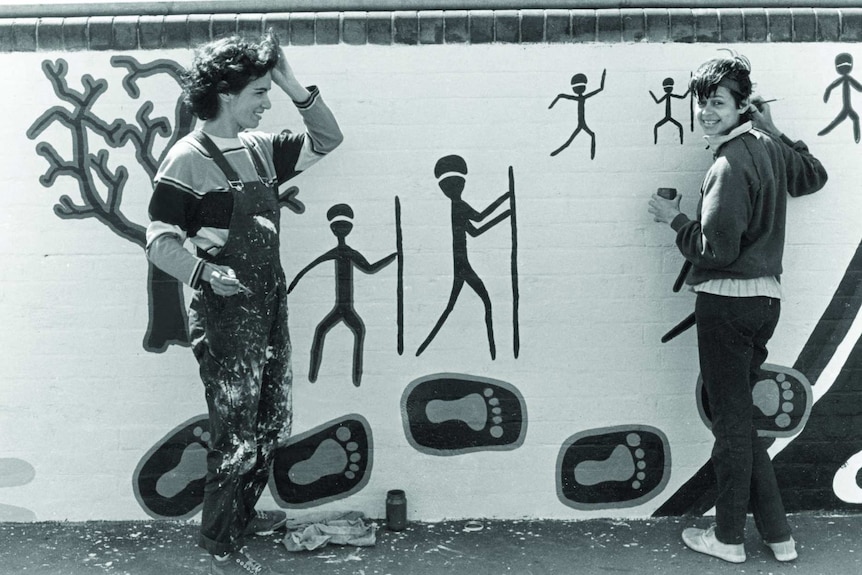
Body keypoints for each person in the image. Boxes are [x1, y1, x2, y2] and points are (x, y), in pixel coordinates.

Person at [145, 30, 343, 575]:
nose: (267, 102)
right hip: (226, 313)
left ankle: (242, 515)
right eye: (259, 92)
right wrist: (206, 272)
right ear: (228, 95)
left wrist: (289, 79)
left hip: (269, 304)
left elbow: (327, 138)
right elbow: (160, 241)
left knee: (270, 421)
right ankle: (217, 543)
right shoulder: (187, 159)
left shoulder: (261, 150)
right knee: (234, 433)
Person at [648, 52, 827, 564]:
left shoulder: (729, 162)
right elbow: (811, 175)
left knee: (729, 428)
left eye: (718, 103)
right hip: (764, 301)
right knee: (741, 424)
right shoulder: (766, 146)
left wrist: (674, 218)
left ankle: (727, 539)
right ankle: (778, 535)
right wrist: (774, 126)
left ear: (741, 105)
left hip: (726, 305)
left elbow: (715, 251)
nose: (706, 112)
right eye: (702, 102)